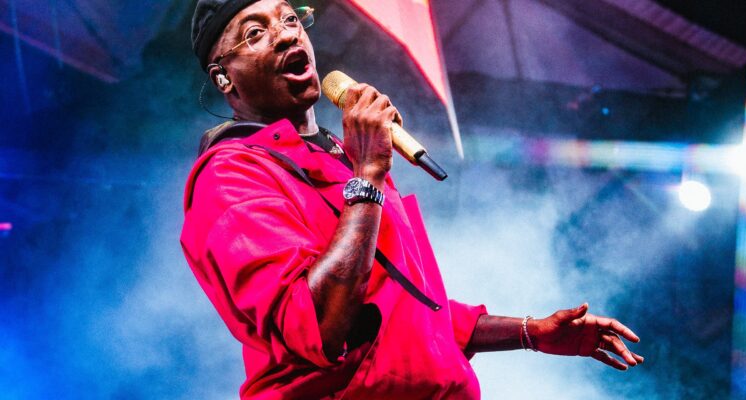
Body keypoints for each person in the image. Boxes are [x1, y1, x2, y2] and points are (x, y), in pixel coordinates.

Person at [180, 0, 644, 398]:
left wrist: (530, 332)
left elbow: (412, 311)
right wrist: (369, 174)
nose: (286, 35)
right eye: (255, 33)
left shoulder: (344, 157)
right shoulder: (232, 173)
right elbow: (318, 324)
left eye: (290, 19)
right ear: (224, 79)